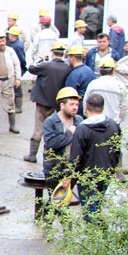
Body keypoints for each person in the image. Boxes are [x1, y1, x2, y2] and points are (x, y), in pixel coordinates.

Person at [66, 94, 121, 222]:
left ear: (86, 107)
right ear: (103, 107)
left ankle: (97, 239)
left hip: (87, 177)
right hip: (106, 173)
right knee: (97, 207)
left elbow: (75, 157)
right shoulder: (113, 125)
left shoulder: (83, 128)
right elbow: (117, 151)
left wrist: (68, 177)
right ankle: (100, 235)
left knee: (90, 212)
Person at [24, 42, 71, 163]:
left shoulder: (46, 65)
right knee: (55, 129)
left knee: (39, 127)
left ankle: (32, 155)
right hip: (57, 104)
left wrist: (40, 58)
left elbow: (31, 68)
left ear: (52, 52)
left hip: (42, 102)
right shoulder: (67, 68)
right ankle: (52, 155)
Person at [42, 87, 83, 215]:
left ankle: (46, 217)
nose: (75, 107)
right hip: (55, 167)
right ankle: (67, 229)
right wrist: (69, 133)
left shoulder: (79, 121)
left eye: (76, 104)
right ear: (62, 105)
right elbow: (51, 143)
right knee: (59, 200)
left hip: (71, 168)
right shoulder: (51, 121)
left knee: (59, 198)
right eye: (71, 104)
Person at [0, 31, 22, 133]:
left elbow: (17, 65)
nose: (1, 43)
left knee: (10, 103)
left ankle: (12, 126)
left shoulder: (11, 51)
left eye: (3, 41)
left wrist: (18, 79)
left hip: (8, 81)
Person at [84, 57, 125, 124]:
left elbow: (85, 104)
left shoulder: (93, 84)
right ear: (113, 70)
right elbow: (124, 109)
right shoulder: (120, 86)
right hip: (114, 124)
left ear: (100, 71)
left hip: (94, 124)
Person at [64, 45, 96, 116]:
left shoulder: (74, 74)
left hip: (78, 108)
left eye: (68, 57)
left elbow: (69, 94)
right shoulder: (89, 70)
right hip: (89, 105)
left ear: (72, 57)